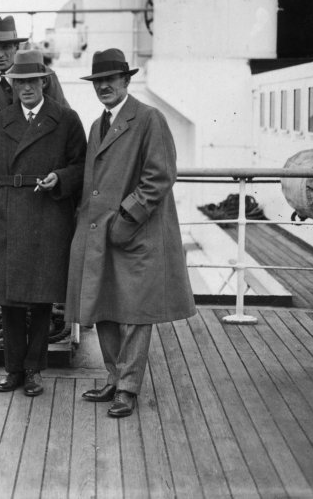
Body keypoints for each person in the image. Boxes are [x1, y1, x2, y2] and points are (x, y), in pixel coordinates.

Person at [66, 48, 196, 417]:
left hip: (133, 233)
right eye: (98, 81)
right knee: (103, 306)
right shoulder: (97, 125)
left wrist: (125, 220)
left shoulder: (149, 119)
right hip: (100, 233)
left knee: (136, 314)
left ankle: (128, 387)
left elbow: (160, 177)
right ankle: (113, 378)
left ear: (126, 80)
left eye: (111, 79)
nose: (104, 86)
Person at [0, 50, 87, 396]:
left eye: (31, 81)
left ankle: (35, 370)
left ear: (44, 82)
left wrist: (61, 179)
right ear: (12, 85)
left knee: (40, 300)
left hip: (47, 216)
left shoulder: (66, 120)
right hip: (9, 215)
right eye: (19, 81)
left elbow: (82, 167)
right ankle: (12, 370)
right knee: (8, 300)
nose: (26, 87)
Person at [0, 14, 68, 110]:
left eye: (6, 47)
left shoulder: (44, 74)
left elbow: (63, 115)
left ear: (16, 47)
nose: (0, 54)